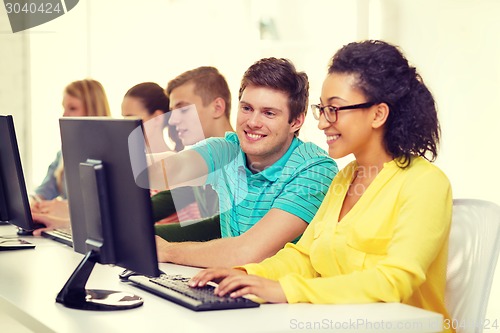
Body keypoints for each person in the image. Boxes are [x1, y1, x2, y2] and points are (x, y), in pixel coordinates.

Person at [189, 40, 453, 331]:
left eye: (335, 109)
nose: (323, 123)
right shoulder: (344, 179)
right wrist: (242, 274)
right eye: (322, 109)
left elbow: (393, 282)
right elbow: (304, 257)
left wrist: (287, 291)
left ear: (378, 114)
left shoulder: (425, 183)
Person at [150, 57, 337, 268]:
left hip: (284, 297)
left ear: (295, 121)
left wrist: (166, 250)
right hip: (230, 285)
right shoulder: (227, 149)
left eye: (268, 113)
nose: (253, 122)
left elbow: (247, 252)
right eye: (247, 108)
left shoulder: (315, 169)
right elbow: (160, 169)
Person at [151, 67, 234, 227]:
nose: (172, 121)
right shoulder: (201, 162)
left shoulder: (243, 162)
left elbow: (215, 229)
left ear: (217, 107)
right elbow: (163, 202)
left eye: (182, 109)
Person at [30, 79, 111, 235]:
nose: (64, 115)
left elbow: (110, 207)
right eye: (64, 108)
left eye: (72, 108)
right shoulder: (65, 151)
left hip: (96, 234)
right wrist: (35, 202)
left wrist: (68, 206)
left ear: (92, 110)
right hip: (71, 232)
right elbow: (45, 189)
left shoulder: (111, 152)